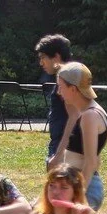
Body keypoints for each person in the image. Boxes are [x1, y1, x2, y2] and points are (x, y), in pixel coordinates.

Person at [48, 60, 107, 210]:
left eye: (61, 87)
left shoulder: (90, 116)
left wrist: (78, 198)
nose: (58, 92)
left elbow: (91, 162)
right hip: (74, 185)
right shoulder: (85, 111)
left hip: (84, 188)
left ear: (73, 89)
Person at [36, 33, 72, 163]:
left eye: (43, 57)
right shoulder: (65, 77)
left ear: (56, 57)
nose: (41, 63)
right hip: (60, 144)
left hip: (65, 149)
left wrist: (58, 154)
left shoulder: (67, 79)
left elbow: (74, 117)